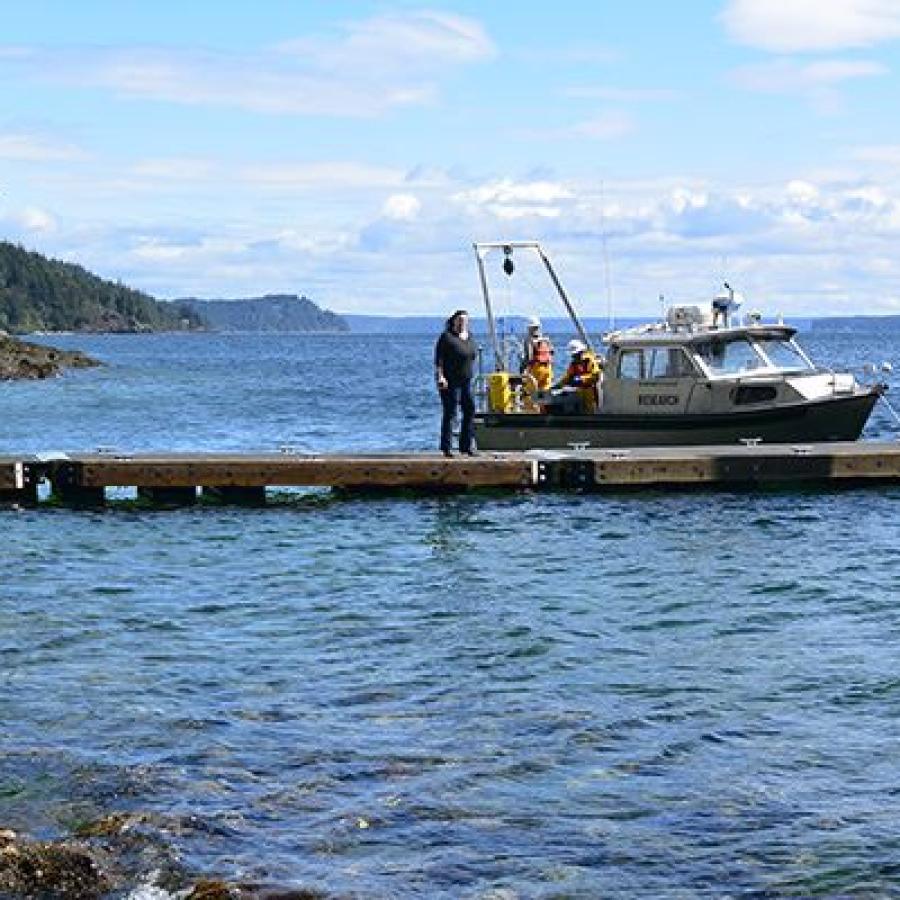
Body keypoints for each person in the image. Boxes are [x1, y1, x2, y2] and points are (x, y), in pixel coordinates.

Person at [434, 309, 478, 456]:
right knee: (451, 412)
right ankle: (446, 447)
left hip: (466, 380)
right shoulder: (446, 337)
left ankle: (466, 446)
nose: (462, 323)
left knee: (470, 409)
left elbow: (471, 356)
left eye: (465, 320)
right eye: (460, 320)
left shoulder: (469, 337)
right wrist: (441, 377)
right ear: (454, 321)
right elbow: (439, 360)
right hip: (450, 381)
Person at [555, 339, 602, 413]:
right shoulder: (574, 363)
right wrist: (558, 385)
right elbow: (568, 377)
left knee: (590, 411)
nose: (574, 356)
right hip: (579, 391)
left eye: (575, 354)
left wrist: (581, 379)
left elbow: (596, 375)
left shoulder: (589, 360)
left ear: (581, 352)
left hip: (590, 391)